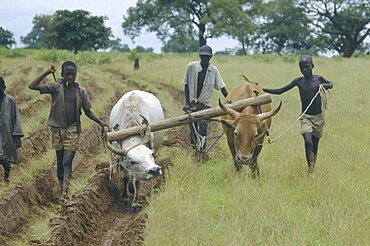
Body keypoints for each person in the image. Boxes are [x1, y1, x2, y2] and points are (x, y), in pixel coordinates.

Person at [29, 61, 105, 197]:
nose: (70, 77)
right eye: (67, 74)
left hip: (72, 129)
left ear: (76, 74)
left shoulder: (81, 92)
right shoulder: (55, 88)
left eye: (73, 74)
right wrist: (47, 72)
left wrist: (100, 122)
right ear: (62, 74)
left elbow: (87, 111)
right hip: (57, 129)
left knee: (67, 161)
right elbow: (32, 85)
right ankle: (62, 185)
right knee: (59, 163)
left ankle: (65, 192)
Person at [263, 55, 333, 173]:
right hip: (306, 118)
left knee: (315, 146)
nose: (304, 69)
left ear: (312, 66)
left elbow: (331, 84)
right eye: (301, 67)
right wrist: (262, 89)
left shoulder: (318, 79)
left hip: (318, 118)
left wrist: (325, 86)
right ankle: (310, 168)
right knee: (308, 142)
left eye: (307, 66)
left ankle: (311, 169)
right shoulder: (298, 81)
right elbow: (280, 91)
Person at [182, 44, 228, 150]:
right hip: (192, 104)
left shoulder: (214, 70)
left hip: (205, 106)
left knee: (203, 127)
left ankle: (202, 151)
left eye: (207, 57)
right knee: (193, 129)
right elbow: (186, 85)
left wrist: (230, 100)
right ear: (199, 57)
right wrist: (187, 103)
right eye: (202, 56)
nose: (204, 59)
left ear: (210, 57)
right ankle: (194, 150)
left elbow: (222, 88)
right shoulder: (191, 67)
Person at [0, 76, 24, 184]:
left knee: (6, 158)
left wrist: (17, 136)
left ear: (4, 87)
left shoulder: (10, 101)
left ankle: (6, 177)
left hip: (6, 134)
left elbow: (16, 119)